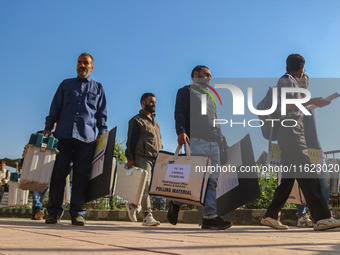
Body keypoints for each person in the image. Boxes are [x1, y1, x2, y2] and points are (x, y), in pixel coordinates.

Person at [261, 54, 340, 231]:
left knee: (288, 180)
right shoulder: (288, 80)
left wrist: (314, 103)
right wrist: (313, 100)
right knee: (308, 174)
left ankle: (270, 216)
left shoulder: (286, 80)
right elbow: (288, 104)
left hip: (288, 132)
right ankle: (322, 218)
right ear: (302, 68)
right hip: (291, 132)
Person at [43, 52, 108, 226]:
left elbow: (102, 114)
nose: (82, 65)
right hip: (63, 137)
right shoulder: (65, 85)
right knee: (58, 176)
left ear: (92, 67)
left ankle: (77, 213)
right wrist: (48, 129)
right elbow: (55, 107)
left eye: (86, 63)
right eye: (79, 62)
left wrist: (102, 131)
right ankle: (53, 212)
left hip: (86, 140)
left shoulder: (98, 88)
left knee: (81, 177)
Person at [167, 65, 232, 230]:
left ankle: (210, 217)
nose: (209, 78)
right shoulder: (185, 91)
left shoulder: (210, 96)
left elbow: (215, 120)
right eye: (206, 75)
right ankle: (175, 202)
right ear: (196, 74)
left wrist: (222, 140)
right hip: (196, 140)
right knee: (195, 181)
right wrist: (181, 132)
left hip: (214, 143)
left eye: (210, 75)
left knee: (212, 181)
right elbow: (179, 113)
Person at [294, 74, 331, 227]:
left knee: (324, 180)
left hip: (315, 148)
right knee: (300, 184)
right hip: (300, 147)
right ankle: (302, 216)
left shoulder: (310, 105)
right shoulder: (293, 101)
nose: (302, 84)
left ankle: (323, 215)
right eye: (300, 81)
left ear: (308, 85)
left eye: (304, 82)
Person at [125, 93, 162, 226]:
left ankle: (133, 204)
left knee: (152, 188)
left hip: (155, 159)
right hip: (142, 157)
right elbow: (131, 141)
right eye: (151, 102)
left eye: (155, 102)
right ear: (143, 104)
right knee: (145, 186)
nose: (154, 104)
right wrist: (130, 158)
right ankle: (147, 216)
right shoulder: (136, 120)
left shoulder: (156, 124)